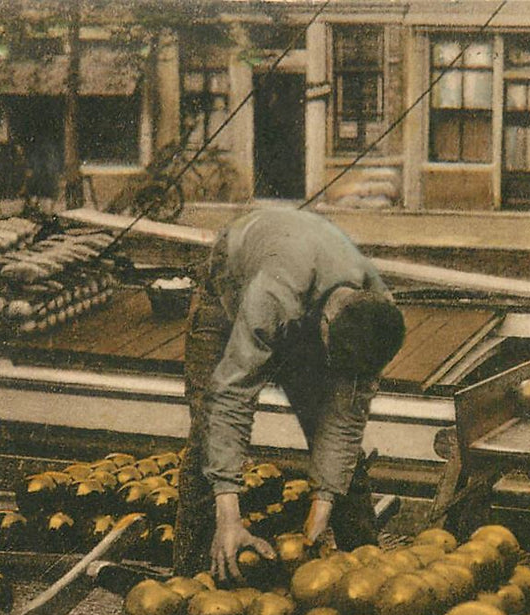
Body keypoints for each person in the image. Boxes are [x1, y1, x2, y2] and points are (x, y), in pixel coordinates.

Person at [171, 208, 406, 582]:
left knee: (346, 465)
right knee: (206, 435)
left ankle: (367, 567)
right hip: (229, 294)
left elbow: (344, 420)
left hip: (307, 298)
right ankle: (191, 575)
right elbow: (230, 400)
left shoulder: (378, 315)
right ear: (325, 325)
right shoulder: (274, 294)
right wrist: (230, 514)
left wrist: (322, 506)